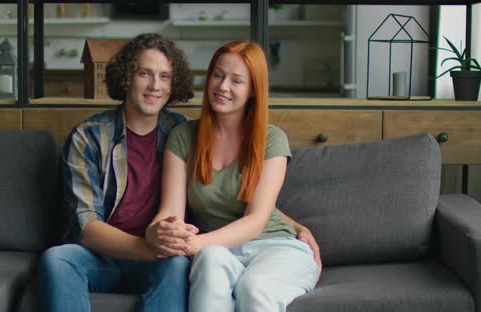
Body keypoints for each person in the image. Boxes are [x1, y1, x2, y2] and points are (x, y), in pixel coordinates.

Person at [146, 41, 321, 312]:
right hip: (220, 249)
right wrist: (159, 231)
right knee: (208, 259)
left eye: (237, 81)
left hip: (276, 248)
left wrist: (197, 242)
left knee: (253, 287)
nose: (223, 86)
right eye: (218, 75)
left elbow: (255, 220)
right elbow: (170, 211)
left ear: (253, 90)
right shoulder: (183, 137)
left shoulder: (271, 140)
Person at [39, 33, 197, 312]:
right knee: (57, 259)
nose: (154, 86)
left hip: (160, 261)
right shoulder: (88, 137)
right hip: (101, 257)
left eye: (164, 76)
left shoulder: (183, 133)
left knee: (176, 266)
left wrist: (288, 222)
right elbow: (86, 227)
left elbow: (230, 188)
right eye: (144, 73)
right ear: (126, 78)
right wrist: (149, 245)